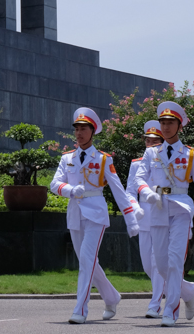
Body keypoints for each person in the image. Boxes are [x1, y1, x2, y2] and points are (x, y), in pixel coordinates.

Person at [50, 107, 142, 324]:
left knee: (87, 260)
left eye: (84, 129)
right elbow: (54, 184)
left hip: (96, 213)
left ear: (93, 131)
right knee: (87, 260)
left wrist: (131, 220)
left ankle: (80, 309)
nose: (79, 133)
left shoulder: (103, 159)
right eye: (77, 129)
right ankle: (112, 296)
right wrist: (70, 190)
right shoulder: (67, 158)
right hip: (75, 212)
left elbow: (119, 191)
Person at [134, 101, 194, 327]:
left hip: (181, 209)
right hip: (158, 208)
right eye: (162, 122)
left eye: (170, 123)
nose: (165, 126)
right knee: (161, 266)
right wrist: (147, 193)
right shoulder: (151, 152)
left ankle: (171, 311)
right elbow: (139, 179)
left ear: (179, 126)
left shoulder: (191, 154)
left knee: (174, 261)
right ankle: (189, 291)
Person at [126, 120, 166, 318]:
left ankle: (155, 304)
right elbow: (130, 191)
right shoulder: (136, 164)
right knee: (147, 265)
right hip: (143, 217)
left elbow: (173, 188)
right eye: (148, 141)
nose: (151, 144)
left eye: (155, 141)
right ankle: (178, 286)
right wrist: (135, 208)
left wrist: (155, 192)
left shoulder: (167, 162)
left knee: (157, 263)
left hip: (161, 214)